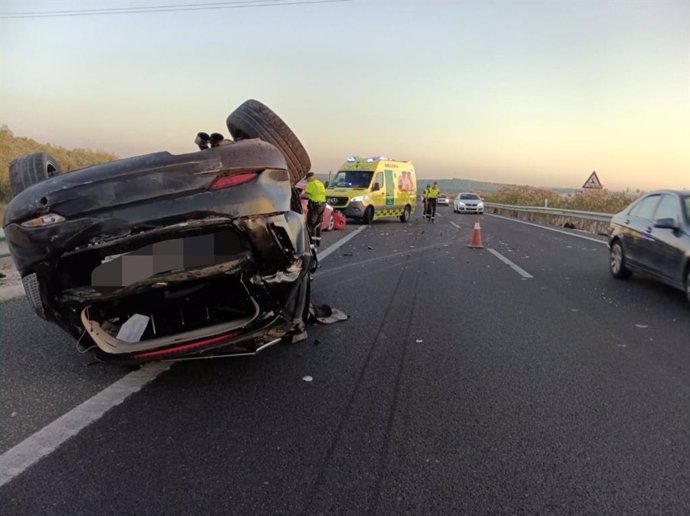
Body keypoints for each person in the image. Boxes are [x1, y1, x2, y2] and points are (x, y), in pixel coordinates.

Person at [301, 172, 327, 247]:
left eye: (307, 179)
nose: (307, 181)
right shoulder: (320, 183)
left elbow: (307, 195)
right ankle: (318, 242)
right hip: (322, 205)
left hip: (315, 206)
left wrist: (299, 196)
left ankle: (311, 244)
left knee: (311, 224)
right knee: (318, 224)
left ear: (310, 177)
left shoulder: (311, 184)